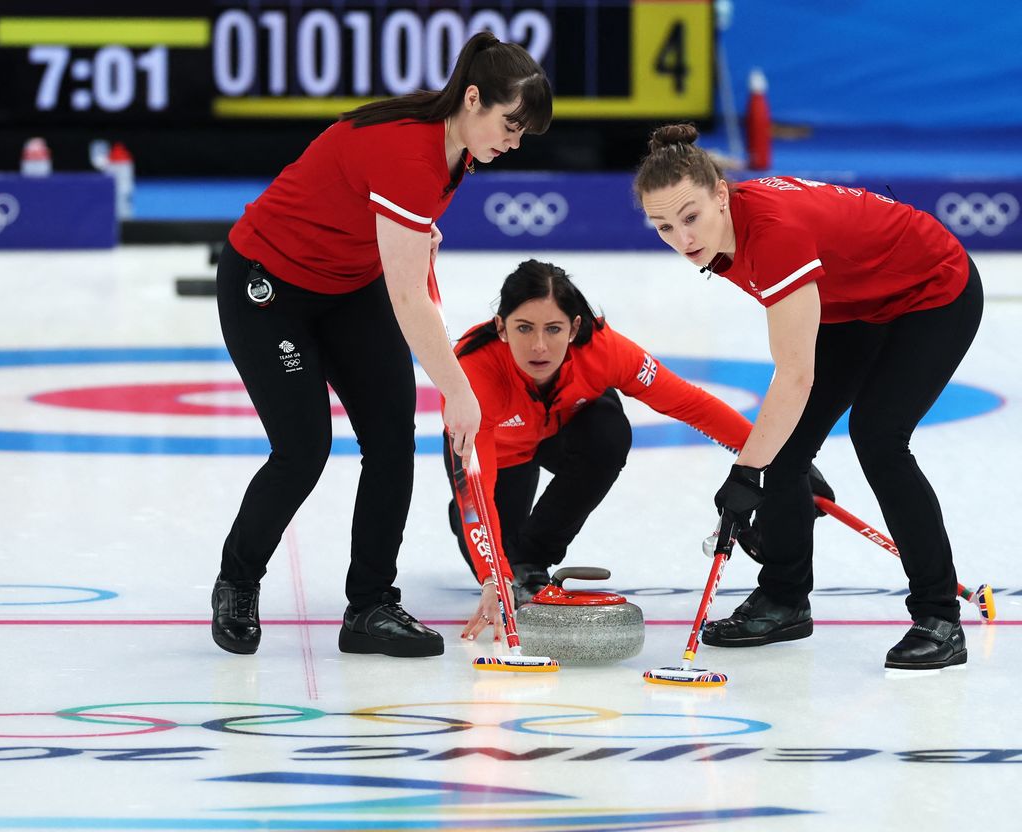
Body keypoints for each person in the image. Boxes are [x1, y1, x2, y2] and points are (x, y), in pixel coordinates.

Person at [211, 33, 553, 658]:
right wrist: (459, 390)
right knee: (303, 449)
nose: (514, 141)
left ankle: (369, 606)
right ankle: (237, 582)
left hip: (349, 283)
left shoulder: (456, 144)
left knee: (392, 440)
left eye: (524, 133)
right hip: (269, 286)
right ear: (472, 99)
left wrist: (419, 237)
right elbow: (409, 300)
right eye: (510, 124)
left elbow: (407, 257)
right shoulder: (411, 152)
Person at [634, 123, 983, 670]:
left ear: (721, 194)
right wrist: (765, 469)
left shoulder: (772, 234)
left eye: (690, 217)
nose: (682, 239)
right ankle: (783, 600)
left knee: (878, 439)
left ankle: (939, 617)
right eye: (663, 228)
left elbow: (795, 376)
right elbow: (797, 378)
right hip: (858, 300)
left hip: (932, 288)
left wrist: (746, 474)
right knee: (785, 449)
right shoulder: (724, 235)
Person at [445, 260, 757, 641]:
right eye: (524, 328)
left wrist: (769, 454)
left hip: (563, 433)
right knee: (496, 553)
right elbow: (475, 494)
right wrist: (493, 576)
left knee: (607, 431)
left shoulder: (603, 350)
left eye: (554, 329)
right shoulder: (474, 373)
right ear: (501, 328)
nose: (539, 345)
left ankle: (532, 558)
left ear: (575, 327)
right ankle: (507, 556)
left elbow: (687, 402)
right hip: (502, 456)